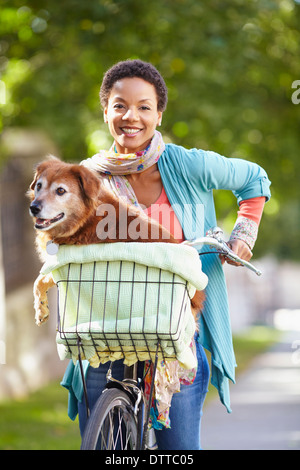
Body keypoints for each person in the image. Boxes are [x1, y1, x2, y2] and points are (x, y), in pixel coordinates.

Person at [61, 59, 271, 450]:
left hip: (176, 336)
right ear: (106, 109)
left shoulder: (185, 165)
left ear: (159, 113)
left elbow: (254, 180)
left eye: (144, 107)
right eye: (120, 105)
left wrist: (243, 234)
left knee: (179, 449)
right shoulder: (86, 178)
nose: (131, 117)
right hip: (106, 333)